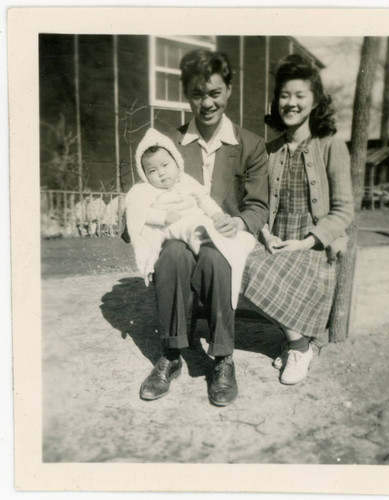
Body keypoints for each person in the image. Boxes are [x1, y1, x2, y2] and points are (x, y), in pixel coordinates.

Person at [138, 49, 269, 406]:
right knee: (173, 258)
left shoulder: (250, 145)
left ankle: (223, 358)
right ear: (187, 95)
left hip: (226, 235)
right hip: (179, 232)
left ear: (228, 89)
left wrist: (238, 221)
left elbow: (258, 204)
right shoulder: (170, 145)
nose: (207, 103)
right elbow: (143, 197)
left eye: (214, 93)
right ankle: (171, 353)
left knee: (214, 259)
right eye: (197, 94)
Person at [242, 54, 354, 385]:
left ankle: (299, 346)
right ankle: (296, 341)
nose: (290, 103)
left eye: (299, 95)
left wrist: (307, 240)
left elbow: (344, 209)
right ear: (277, 101)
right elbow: (257, 203)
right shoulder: (269, 149)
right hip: (278, 245)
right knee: (234, 262)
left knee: (253, 270)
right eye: (284, 96)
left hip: (313, 249)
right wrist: (265, 234)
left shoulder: (331, 146)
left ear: (315, 100)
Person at [125, 127, 255, 308]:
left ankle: (224, 243)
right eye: (152, 170)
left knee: (215, 234)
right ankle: (203, 238)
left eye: (165, 165)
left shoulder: (185, 180)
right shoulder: (144, 191)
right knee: (190, 231)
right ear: (144, 175)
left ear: (176, 162)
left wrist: (216, 214)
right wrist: (162, 217)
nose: (161, 173)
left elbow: (203, 198)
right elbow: (138, 213)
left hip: (197, 218)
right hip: (172, 228)